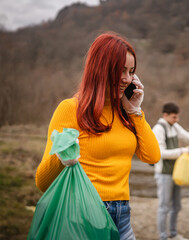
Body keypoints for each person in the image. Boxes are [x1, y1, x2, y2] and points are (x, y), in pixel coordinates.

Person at [35, 32, 161, 240]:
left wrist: (136, 111)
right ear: (100, 68)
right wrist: (62, 159)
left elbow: (152, 156)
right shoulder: (70, 109)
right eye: (120, 71)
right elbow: (42, 182)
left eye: (131, 72)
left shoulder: (126, 112)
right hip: (83, 214)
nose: (126, 79)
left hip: (122, 215)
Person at [152, 102, 189, 240]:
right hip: (163, 173)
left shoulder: (174, 126)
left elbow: (188, 137)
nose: (177, 120)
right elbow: (160, 153)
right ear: (165, 115)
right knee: (164, 207)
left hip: (176, 172)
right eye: (174, 117)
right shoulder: (158, 129)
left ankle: (173, 234)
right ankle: (163, 237)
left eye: (177, 117)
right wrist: (181, 151)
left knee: (177, 205)